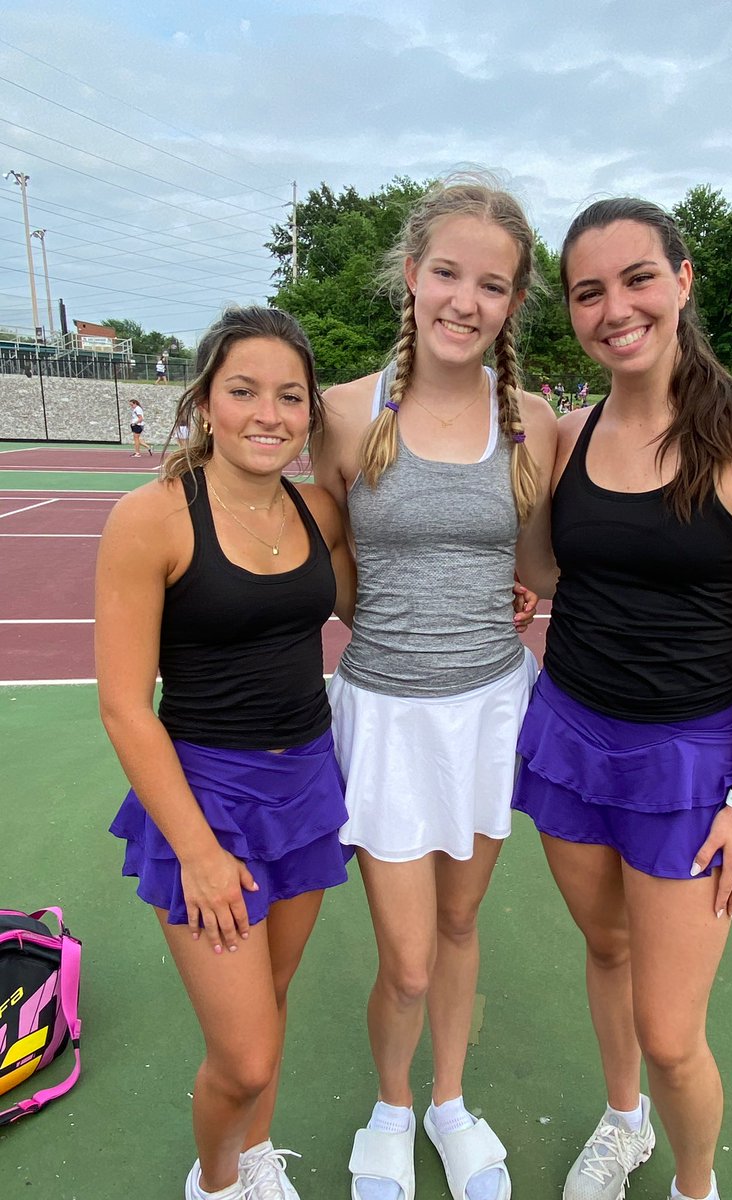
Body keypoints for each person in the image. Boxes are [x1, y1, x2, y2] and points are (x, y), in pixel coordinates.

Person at [512, 198, 732, 1200]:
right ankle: (623, 1121)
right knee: (605, 947)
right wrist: (517, 539)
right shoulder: (567, 433)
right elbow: (559, 577)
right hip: (570, 733)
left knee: (674, 1033)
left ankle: (695, 1183)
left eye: (637, 277)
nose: (615, 308)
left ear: (683, 280)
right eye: (589, 292)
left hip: (692, 765)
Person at [314, 178, 557, 1200]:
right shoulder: (341, 414)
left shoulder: (534, 422)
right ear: (411, 277)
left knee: (460, 931)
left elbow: (541, 568)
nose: (466, 298)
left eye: (491, 284)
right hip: (383, 715)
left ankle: (449, 1103)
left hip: (493, 709)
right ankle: (391, 1106)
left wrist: (531, 603)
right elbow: (321, 576)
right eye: (448, 273)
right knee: (406, 959)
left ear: (510, 304)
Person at [98, 306, 356, 1200]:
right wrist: (200, 854)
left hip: (306, 785)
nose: (268, 414)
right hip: (206, 799)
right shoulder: (152, 519)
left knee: (272, 1008)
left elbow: (367, 606)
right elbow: (126, 709)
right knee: (242, 1056)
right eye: (243, 391)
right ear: (206, 400)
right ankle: (213, 1185)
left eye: (290, 396)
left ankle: (255, 1161)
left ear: (310, 411)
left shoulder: (316, 507)